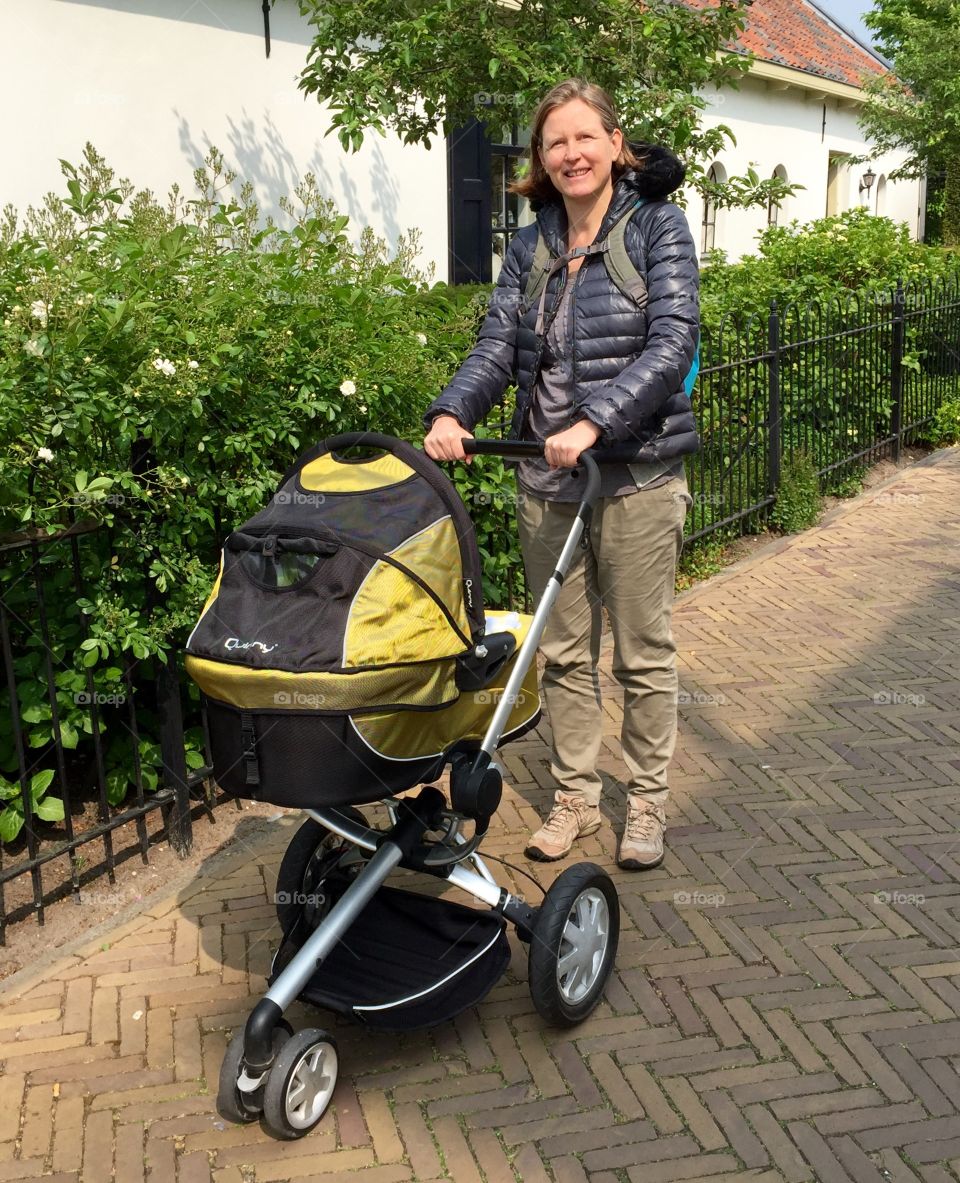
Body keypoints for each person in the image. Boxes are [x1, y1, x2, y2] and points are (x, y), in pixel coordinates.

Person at [424, 78, 700, 870]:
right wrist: (456, 412)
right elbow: (493, 347)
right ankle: (577, 795)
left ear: (616, 143)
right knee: (565, 653)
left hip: (635, 475)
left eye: (586, 137)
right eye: (555, 142)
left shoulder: (658, 228)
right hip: (545, 479)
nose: (572, 153)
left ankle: (644, 800)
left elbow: (672, 342)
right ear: (541, 159)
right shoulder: (530, 243)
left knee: (642, 651)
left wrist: (595, 421)